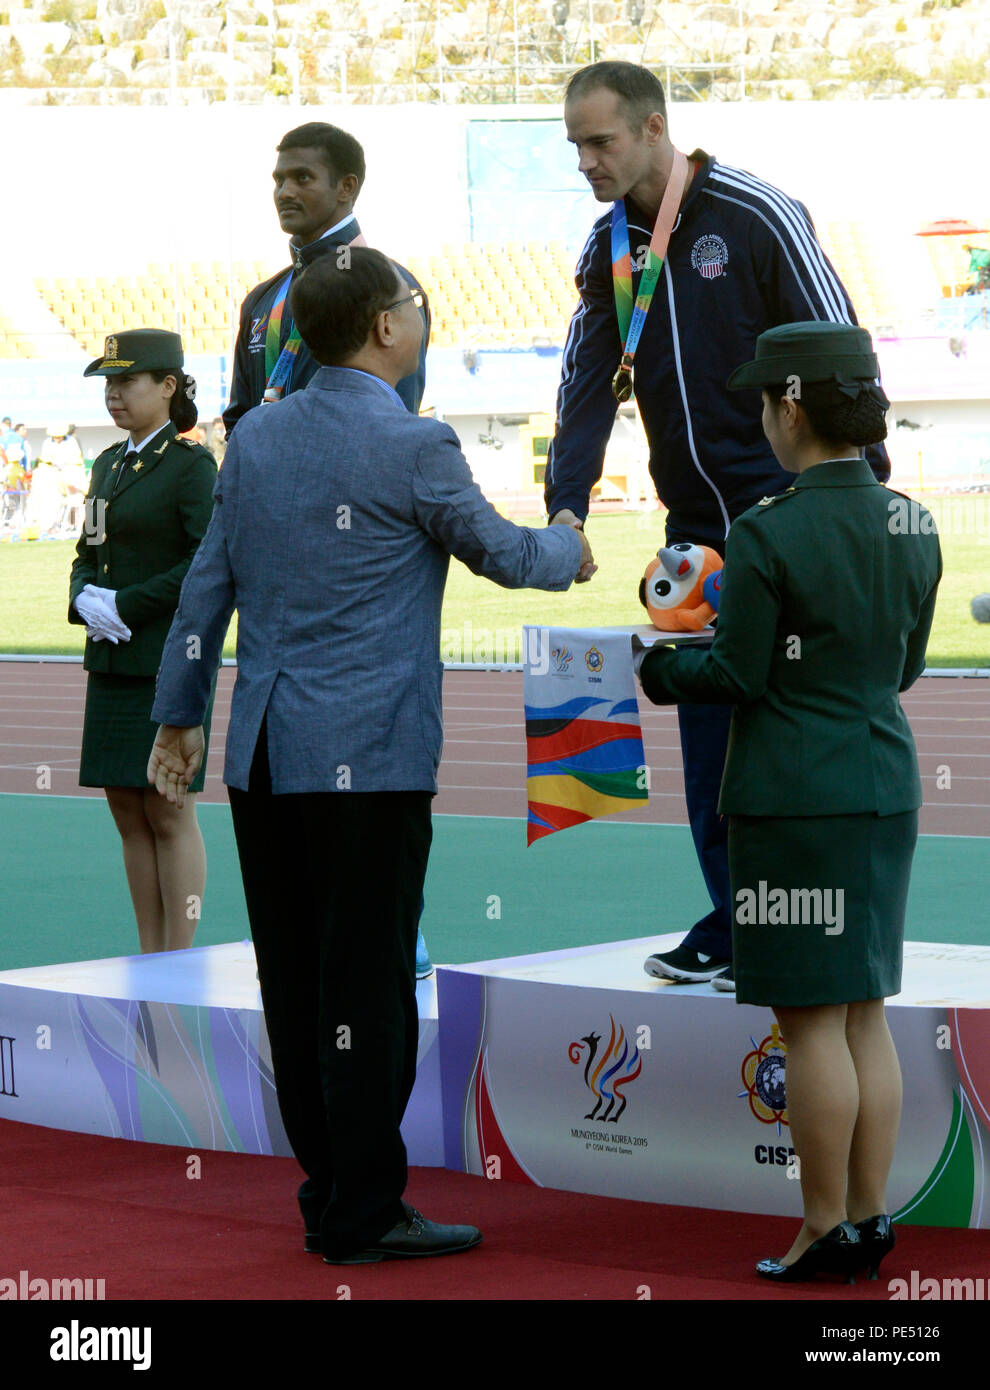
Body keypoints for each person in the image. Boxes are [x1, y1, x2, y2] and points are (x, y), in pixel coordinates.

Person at [147, 248, 591, 1264]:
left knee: (296, 980)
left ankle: (329, 1191)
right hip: (370, 758)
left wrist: (180, 714)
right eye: (413, 306)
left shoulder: (254, 438)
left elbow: (203, 593)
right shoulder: (414, 441)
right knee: (369, 984)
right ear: (389, 328)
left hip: (265, 755)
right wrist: (571, 539)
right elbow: (510, 557)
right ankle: (366, 1206)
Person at [545, 61, 891, 989]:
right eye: (574, 144)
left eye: (601, 141)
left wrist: (872, 494)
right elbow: (584, 385)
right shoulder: (607, 251)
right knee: (709, 727)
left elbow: (839, 343)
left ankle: (817, 917)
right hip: (697, 532)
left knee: (799, 719)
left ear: (655, 128)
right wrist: (565, 505)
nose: (586, 160)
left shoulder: (756, 214)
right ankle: (737, 918)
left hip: (797, 513)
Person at [636, 321, 941, 1282]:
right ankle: (868, 1214)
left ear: (793, 406)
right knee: (863, 1014)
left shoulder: (767, 531)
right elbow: (908, 664)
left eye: (767, 401)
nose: (762, 417)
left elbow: (738, 673)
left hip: (791, 799)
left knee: (808, 1022)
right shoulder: (914, 523)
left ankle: (821, 1227)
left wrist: (660, 666)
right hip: (881, 785)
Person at [223, 119, 436, 978]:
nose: (285, 190)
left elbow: (386, 410)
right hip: (276, 545)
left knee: (362, 724)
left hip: (357, 548)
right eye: (277, 176)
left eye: (303, 176)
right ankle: (316, 929)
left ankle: (392, 931)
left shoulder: (391, 287)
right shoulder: (259, 301)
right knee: (288, 729)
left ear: (348, 187)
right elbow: (244, 421)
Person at [68, 330, 219, 954]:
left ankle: (177, 960)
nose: (114, 395)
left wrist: (126, 603)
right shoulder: (108, 464)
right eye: (108, 383)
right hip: (111, 658)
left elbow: (204, 562)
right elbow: (89, 551)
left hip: (165, 659)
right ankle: (149, 951)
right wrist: (83, 596)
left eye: (126, 382)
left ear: (167, 386)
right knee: (126, 810)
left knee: (167, 809)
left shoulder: (190, 466)